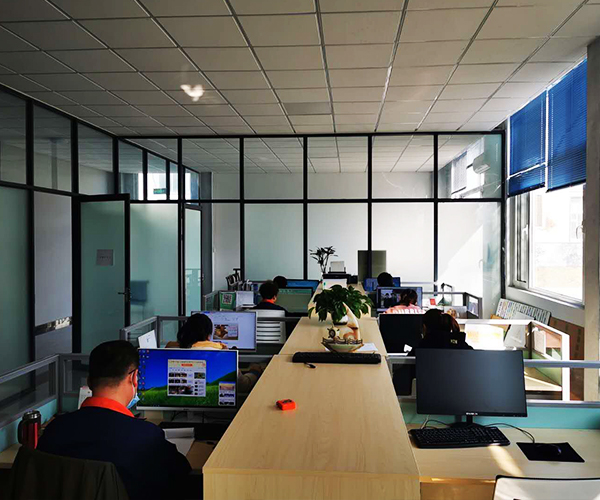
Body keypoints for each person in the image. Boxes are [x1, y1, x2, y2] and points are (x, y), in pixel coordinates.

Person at [37, 341, 191, 500]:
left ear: (89, 382)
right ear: (134, 378)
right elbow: (182, 474)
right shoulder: (147, 437)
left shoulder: (54, 430)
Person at [176, 313, 264, 392]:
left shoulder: (176, 353)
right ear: (209, 335)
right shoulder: (223, 354)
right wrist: (254, 372)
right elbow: (243, 385)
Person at [393, 310, 472, 396]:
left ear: (424, 327)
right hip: (462, 399)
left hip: (425, 400)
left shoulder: (420, 351)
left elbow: (401, 383)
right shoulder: (465, 349)